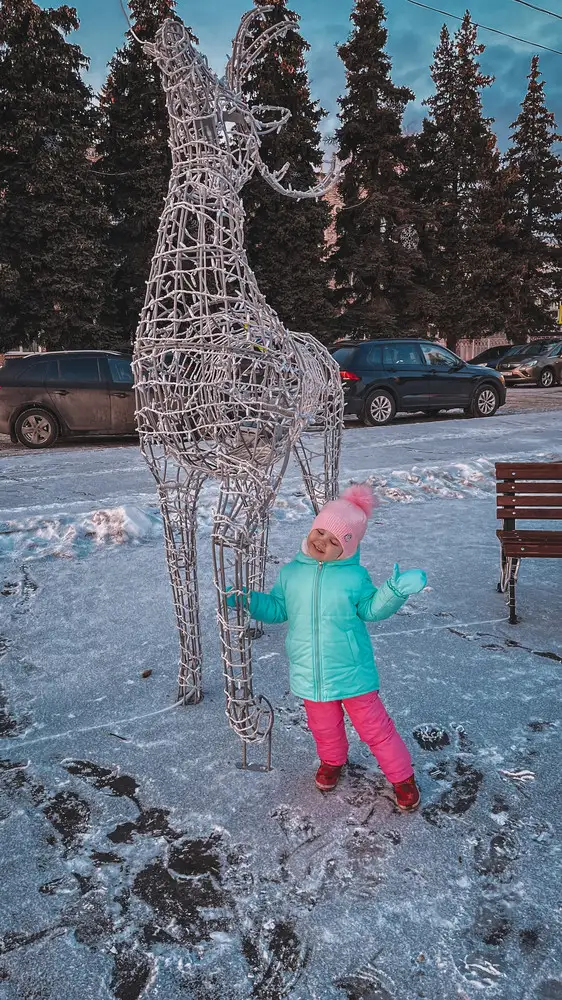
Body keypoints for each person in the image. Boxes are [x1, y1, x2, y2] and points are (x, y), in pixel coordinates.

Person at [230, 484, 427, 811]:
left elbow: (370, 609)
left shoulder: (354, 577)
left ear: (347, 549)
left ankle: (402, 778)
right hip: (310, 672)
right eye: (320, 532)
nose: (322, 541)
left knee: (376, 730)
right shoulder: (292, 573)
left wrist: (394, 590)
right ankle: (332, 762)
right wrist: (248, 601)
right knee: (324, 728)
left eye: (335, 540)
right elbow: (279, 608)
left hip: (352, 671)